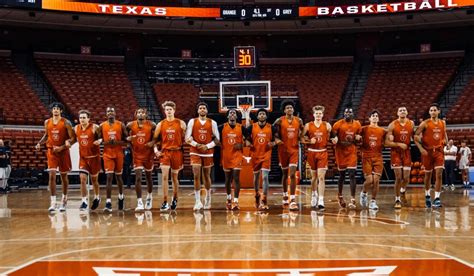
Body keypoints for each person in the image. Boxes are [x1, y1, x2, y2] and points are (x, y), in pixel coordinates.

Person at [35, 102, 75, 212]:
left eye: (58, 109)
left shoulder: (66, 122)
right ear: (51, 111)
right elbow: (46, 135)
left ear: (61, 111)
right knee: (52, 175)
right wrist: (39, 143)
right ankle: (53, 202)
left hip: (63, 152)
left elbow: (73, 138)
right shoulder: (47, 122)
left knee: (63, 177)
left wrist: (63, 146)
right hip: (51, 151)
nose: (55, 110)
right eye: (54, 108)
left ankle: (64, 198)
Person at [359, 110, 398, 210]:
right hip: (366, 156)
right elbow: (356, 136)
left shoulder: (383, 131)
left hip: (378, 156)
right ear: (369, 118)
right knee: (369, 180)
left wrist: (391, 137)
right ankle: (363, 193)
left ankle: (373, 201)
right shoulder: (364, 129)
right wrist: (357, 137)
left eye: (376, 116)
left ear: (378, 118)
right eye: (373, 116)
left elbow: (389, 138)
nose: (375, 117)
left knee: (376, 180)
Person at [185, 102, 219, 211]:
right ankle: (198, 201)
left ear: (207, 111)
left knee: (206, 175)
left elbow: (217, 139)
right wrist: (197, 145)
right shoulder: (192, 121)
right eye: (200, 108)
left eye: (204, 108)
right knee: (196, 174)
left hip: (208, 151)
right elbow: (187, 138)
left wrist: (207, 146)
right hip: (195, 151)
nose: (202, 109)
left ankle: (208, 197)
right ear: (198, 110)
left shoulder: (212, 122)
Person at [154, 101, 186, 211]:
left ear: (174, 110)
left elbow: (185, 138)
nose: (168, 111)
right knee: (164, 177)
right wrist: (155, 151)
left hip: (177, 152)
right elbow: (154, 140)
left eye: (170, 109)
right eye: (166, 109)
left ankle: (175, 198)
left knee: (174, 177)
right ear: (164, 111)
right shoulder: (160, 124)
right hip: (165, 152)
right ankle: (165, 201)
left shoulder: (181, 123)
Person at [414, 103, 448, 208]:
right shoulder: (425, 123)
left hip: (439, 151)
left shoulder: (443, 123)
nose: (433, 112)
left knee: (438, 174)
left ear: (438, 111)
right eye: (431, 110)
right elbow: (415, 135)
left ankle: (437, 198)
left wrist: (446, 141)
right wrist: (421, 147)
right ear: (429, 112)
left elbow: (444, 133)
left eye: (434, 110)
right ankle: (427, 195)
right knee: (428, 175)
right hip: (427, 152)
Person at [95, 107, 129, 212]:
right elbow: (99, 141)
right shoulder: (101, 126)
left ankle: (121, 196)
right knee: (109, 177)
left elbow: (126, 142)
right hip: (107, 154)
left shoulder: (121, 125)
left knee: (119, 177)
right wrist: (107, 142)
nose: (110, 113)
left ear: (115, 113)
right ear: (106, 114)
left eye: (112, 111)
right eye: (108, 111)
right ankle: (108, 202)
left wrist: (116, 142)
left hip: (119, 153)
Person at [273, 100, 304, 211]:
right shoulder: (279, 121)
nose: (289, 109)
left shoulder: (299, 121)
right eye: (287, 108)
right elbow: (273, 133)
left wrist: (305, 140)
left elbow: (302, 133)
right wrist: (276, 140)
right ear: (284, 110)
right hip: (283, 150)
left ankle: (292, 199)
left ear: (293, 109)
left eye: (291, 107)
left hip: (294, 150)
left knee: (292, 174)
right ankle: (285, 194)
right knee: (285, 174)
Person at [301, 105, 332, 209]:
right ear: (313, 114)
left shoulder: (327, 125)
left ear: (322, 115)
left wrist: (334, 138)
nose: (318, 115)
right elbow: (301, 138)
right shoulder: (308, 125)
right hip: (311, 152)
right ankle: (314, 195)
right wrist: (309, 141)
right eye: (316, 113)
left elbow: (333, 136)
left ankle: (321, 200)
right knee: (314, 177)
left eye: (320, 113)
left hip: (322, 152)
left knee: (321, 177)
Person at [331, 106, 362, 209]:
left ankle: (353, 199)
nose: (347, 114)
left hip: (352, 151)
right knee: (342, 175)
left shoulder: (357, 124)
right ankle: (340, 195)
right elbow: (332, 135)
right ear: (343, 114)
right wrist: (334, 138)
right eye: (346, 112)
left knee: (352, 174)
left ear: (353, 114)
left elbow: (359, 137)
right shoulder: (338, 124)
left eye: (349, 112)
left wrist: (358, 138)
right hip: (340, 151)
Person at [126, 108, 156, 212]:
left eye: (142, 112)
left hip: (148, 154)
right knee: (138, 178)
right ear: (135, 114)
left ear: (146, 114)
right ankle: (139, 202)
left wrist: (152, 143)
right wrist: (128, 141)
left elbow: (157, 137)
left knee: (148, 177)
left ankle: (149, 196)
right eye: (138, 112)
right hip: (137, 155)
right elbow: (124, 136)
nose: (140, 114)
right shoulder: (130, 125)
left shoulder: (152, 125)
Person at [246, 108, 276, 211]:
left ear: (266, 116)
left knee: (265, 177)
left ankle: (264, 199)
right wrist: (248, 143)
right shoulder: (252, 127)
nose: (262, 115)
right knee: (256, 176)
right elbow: (246, 140)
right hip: (255, 154)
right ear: (257, 116)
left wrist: (273, 143)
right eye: (260, 114)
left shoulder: (271, 127)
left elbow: (277, 139)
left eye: (263, 114)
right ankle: (256, 194)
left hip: (266, 154)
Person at [386, 106, 415, 209]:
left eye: (404, 110)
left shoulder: (411, 124)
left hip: (407, 152)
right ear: (397, 113)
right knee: (398, 177)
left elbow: (415, 136)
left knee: (406, 178)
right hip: (396, 153)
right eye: (400, 110)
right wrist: (397, 144)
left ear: (407, 112)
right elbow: (386, 142)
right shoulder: (392, 125)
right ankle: (397, 199)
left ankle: (402, 191)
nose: (402, 111)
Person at [219, 108, 247, 210]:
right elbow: (214, 136)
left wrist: (242, 144)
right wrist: (217, 143)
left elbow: (249, 138)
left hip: (237, 155)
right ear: (227, 116)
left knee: (236, 177)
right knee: (228, 179)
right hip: (226, 155)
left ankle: (236, 201)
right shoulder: (222, 127)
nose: (232, 114)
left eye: (234, 113)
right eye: (230, 113)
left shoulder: (241, 127)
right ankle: (228, 198)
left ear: (236, 116)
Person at [74, 110, 101, 211]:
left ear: (89, 119)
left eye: (84, 117)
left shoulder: (95, 127)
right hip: (83, 158)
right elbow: (72, 139)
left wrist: (100, 141)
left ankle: (97, 197)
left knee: (94, 181)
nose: (82, 119)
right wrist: (68, 142)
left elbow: (102, 136)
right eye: (80, 118)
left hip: (94, 158)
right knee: (82, 179)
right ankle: (84, 201)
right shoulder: (76, 128)